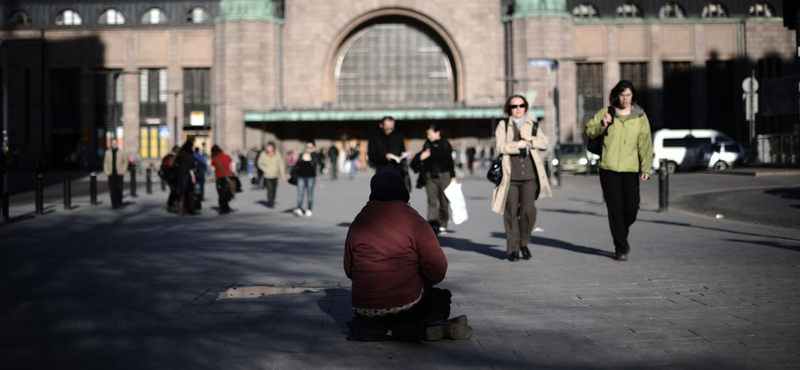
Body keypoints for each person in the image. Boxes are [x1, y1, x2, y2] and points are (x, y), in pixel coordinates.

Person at [344, 171, 472, 342]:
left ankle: (372, 328)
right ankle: (430, 324)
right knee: (440, 297)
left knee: (378, 313)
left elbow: (349, 268)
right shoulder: (414, 219)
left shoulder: (359, 221)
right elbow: (437, 268)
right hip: (405, 303)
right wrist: (419, 282)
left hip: (364, 307)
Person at [585, 80, 653, 261]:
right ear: (617, 95)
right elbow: (590, 131)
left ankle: (620, 232)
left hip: (631, 168)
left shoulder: (640, 116)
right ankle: (621, 247)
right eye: (622, 95)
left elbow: (645, 143)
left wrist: (646, 167)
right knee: (615, 208)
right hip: (609, 168)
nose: (624, 99)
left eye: (628, 95)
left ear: (633, 96)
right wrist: (602, 125)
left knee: (632, 205)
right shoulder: (606, 112)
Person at [491, 95, 552, 262]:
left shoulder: (532, 124)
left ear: (525, 107)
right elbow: (499, 147)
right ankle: (513, 249)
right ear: (508, 109)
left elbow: (545, 143)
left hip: (530, 176)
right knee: (510, 213)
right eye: (514, 106)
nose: (518, 109)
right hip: (510, 176)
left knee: (528, 212)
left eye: (521, 105)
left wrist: (529, 139)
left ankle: (524, 242)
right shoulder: (503, 125)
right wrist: (516, 145)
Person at [411, 123, 456, 234]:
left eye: (430, 134)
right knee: (432, 201)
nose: (428, 136)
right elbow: (418, 160)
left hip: (444, 176)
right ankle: (432, 224)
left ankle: (443, 223)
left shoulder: (445, 144)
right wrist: (421, 157)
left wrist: (453, 176)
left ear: (437, 133)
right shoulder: (427, 144)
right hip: (430, 176)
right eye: (427, 134)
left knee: (444, 202)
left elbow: (450, 162)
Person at [293, 141, 320, 217]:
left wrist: (312, 154)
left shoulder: (314, 156)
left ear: (313, 148)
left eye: (310, 148)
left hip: (311, 177)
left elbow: (318, 162)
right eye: (307, 147)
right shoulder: (301, 155)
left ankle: (309, 209)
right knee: (300, 193)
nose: (308, 149)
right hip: (301, 177)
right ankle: (299, 208)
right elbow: (297, 165)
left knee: (310, 193)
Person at [257, 142, 287, 208]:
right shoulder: (263, 154)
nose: (268, 148)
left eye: (270, 147)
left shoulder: (277, 154)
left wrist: (282, 173)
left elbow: (281, 164)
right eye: (267, 147)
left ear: (273, 147)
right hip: (267, 175)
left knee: (274, 189)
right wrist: (265, 169)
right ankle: (271, 202)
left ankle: (273, 199)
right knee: (269, 189)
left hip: (275, 175)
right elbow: (259, 163)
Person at [210, 145, 236, 215]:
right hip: (227, 177)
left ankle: (222, 207)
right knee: (226, 192)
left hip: (219, 178)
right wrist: (232, 172)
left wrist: (213, 174)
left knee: (221, 194)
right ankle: (226, 207)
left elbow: (212, 169)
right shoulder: (226, 156)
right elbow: (233, 163)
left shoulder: (214, 158)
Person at [103, 139, 128, 209]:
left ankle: (119, 202)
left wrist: (123, 171)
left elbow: (125, 162)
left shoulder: (122, 152)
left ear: (117, 144)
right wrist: (107, 171)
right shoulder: (108, 152)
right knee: (112, 190)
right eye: (113, 143)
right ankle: (114, 204)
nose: (114, 145)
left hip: (119, 174)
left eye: (115, 143)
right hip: (111, 174)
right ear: (111, 144)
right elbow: (105, 162)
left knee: (119, 189)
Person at [175, 139, 197, 215]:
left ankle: (181, 208)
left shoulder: (181, 153)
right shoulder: (190, 154)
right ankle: (189, 208)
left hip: (180, 175)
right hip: (187, 175)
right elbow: (192, 166)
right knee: (189, 193)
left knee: (181, 193)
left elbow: (176, 163)